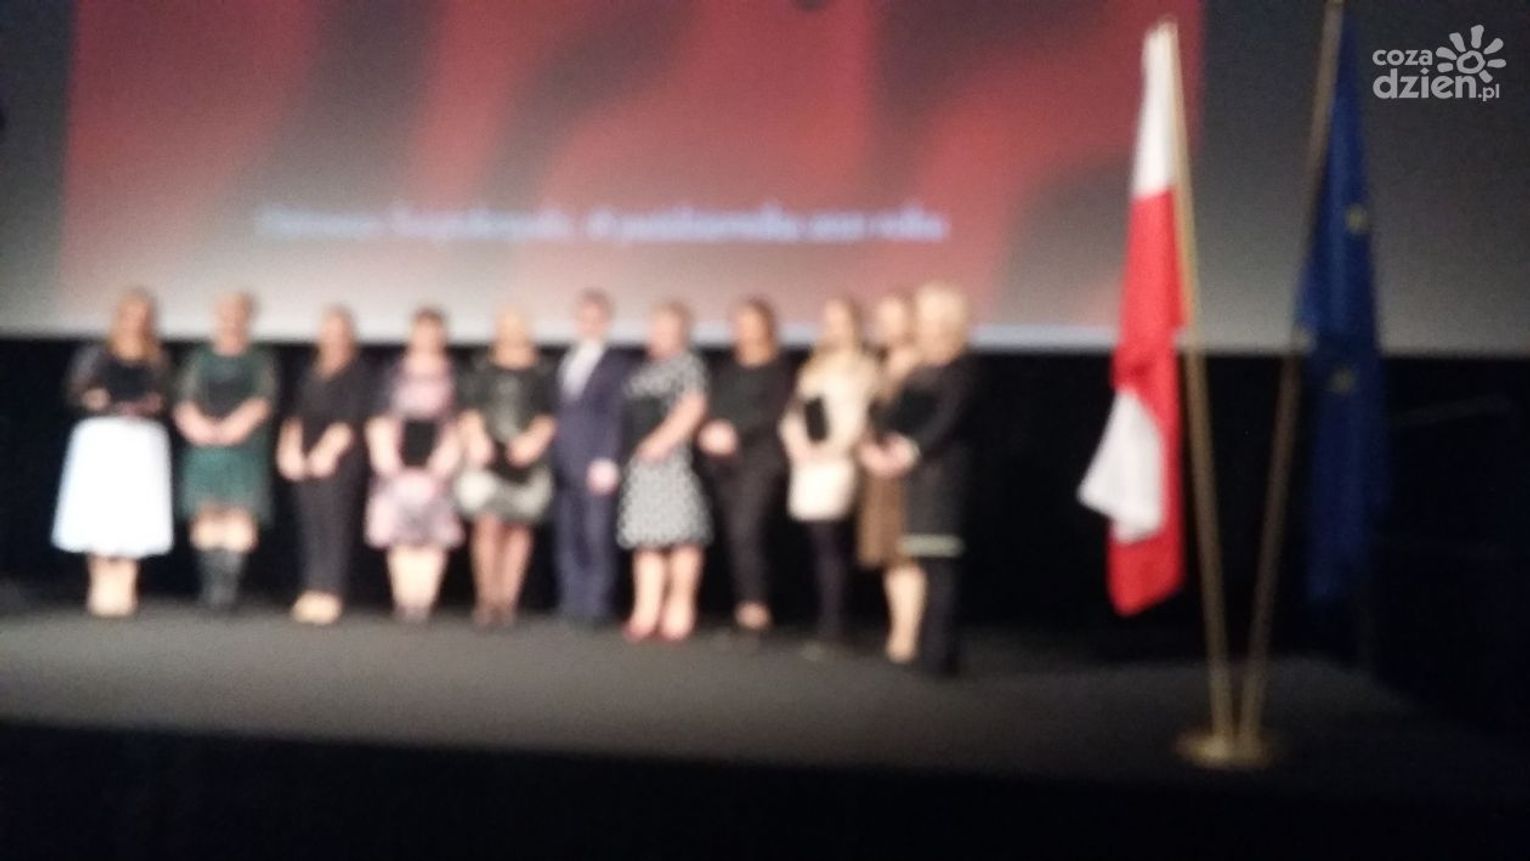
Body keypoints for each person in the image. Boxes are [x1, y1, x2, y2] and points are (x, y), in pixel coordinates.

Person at [863, 283, 977, 676]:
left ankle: (941, 654)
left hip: (944, 478)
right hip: (914, 478)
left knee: (941, 566)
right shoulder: (919, 369)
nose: (921, 325)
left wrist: (909, 451)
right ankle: (932, 649)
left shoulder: (963, 368)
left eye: (928, 317)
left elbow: (949, 420)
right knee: (926, 563)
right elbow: (889, 417)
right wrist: (880, 446)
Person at [52, 288, 174, 617]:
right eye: (129, 315)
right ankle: (100, 581)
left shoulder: (157, 357)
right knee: (100, 506)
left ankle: (126, 581)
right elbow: (75, 392)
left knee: (134, 507)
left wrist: (151, 405)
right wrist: (92, 399)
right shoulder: (96, 353)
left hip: (141, 439)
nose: (135, 322)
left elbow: (166, 396)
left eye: (142, 317)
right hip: (102, 437)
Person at [780, 298, 877, 654]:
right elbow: (795, 412)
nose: (834, 328)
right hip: (808, 462)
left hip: (837, 461)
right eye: (829, 321)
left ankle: (835, 627)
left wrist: (832, 449)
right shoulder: (814, 365)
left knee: (832, 541)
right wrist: (796, 443)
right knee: (819, 542)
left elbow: (860, 419)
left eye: (841, 321)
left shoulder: (865, 366)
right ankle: (826, 622)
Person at [173, 292, 277, 613]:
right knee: (206, 513)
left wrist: (235, 426)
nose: (231, 319)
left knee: (238, 514)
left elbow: (264, 399)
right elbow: (184, 399)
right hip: (204, 446)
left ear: (248, 317)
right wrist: (198, 427)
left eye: (238, 313)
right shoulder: (199, 357)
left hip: (244, 446)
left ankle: (229, 589)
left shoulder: (259, 359)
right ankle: (211, 588)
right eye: (225, 312)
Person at [698, 298, 793, 644]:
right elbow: (712, 406)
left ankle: (756, 612)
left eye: (751, 323)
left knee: (747, 531)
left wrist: (734, 431)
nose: (745, 330)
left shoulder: (779, 369)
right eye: (738, 323)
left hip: (761, 461)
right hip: (725, 465)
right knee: (736, 538)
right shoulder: (725, 369)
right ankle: (744, 609)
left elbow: (773, 412)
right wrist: (709, 431)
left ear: (767, 326)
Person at [456, 307, 557, 629]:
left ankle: (508, 602)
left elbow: (549, 413)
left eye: (517, 325)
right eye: (505, 325)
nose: (511, 331)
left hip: (526, 455)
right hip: (488, 454)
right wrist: (475, 439)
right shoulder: (481, 366)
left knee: (519, 527)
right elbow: (469, 408)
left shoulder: (543, 369)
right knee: (487, 525)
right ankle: (487, 599)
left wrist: (533, 441)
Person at [617, 301, 710, 642]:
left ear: (681, 332)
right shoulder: (643, 370)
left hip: (674, 461)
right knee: (646, 539)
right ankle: (646, 611)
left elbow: (693, 406)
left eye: (665, 329)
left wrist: (662, 441)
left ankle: (679, 609)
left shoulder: (689, 365)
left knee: (681, 536)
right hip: (641, 464)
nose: (657, 335)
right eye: (654, 328)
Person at [365, 308, 463, 623]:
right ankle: (404, 599)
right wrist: (386, 455)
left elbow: (460, 418)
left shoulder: (454, 372)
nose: (427, 337)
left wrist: (447, 456)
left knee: (432, 534)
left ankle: (424, 600)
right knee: (400, 532)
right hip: (397, 459)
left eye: (433, 331)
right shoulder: (393, 370)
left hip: (438, 461)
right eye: (421, 330)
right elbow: (378, 413)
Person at [277, 307, 371, 626]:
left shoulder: (358, 372)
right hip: (305, 455)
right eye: (327, 331)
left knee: (334, 526)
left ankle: (331, 591)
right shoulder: (309, 369)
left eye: (338, 331)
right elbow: (295, 413)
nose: (332, 337)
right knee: (310, 525)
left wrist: (325, 453)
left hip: (338, 458)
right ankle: (312, 588)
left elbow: (350, 419)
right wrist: (289, 450)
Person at [552, 290, 632, 626]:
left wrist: (608, 459)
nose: (588, 325)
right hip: (564, 461)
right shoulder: (567, 360)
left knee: (596, 535)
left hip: (596, 460)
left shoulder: (616, 364)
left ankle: (597, 605)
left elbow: (616, 415)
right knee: (568, 535)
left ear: (606, 322)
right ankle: (572, 602)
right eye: (583, 319)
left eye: (595, 319)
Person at [856, 293, 926, 664]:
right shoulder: (879, 365)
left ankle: (908, 634)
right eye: (880, 319)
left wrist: (896, 455)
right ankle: (899, 628)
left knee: (908, 554)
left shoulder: (924, 364)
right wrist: (866, 450)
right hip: (878, 469)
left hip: (909, 471)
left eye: (893, 318)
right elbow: (868, 419)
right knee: (890, 554)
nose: (885, 327)